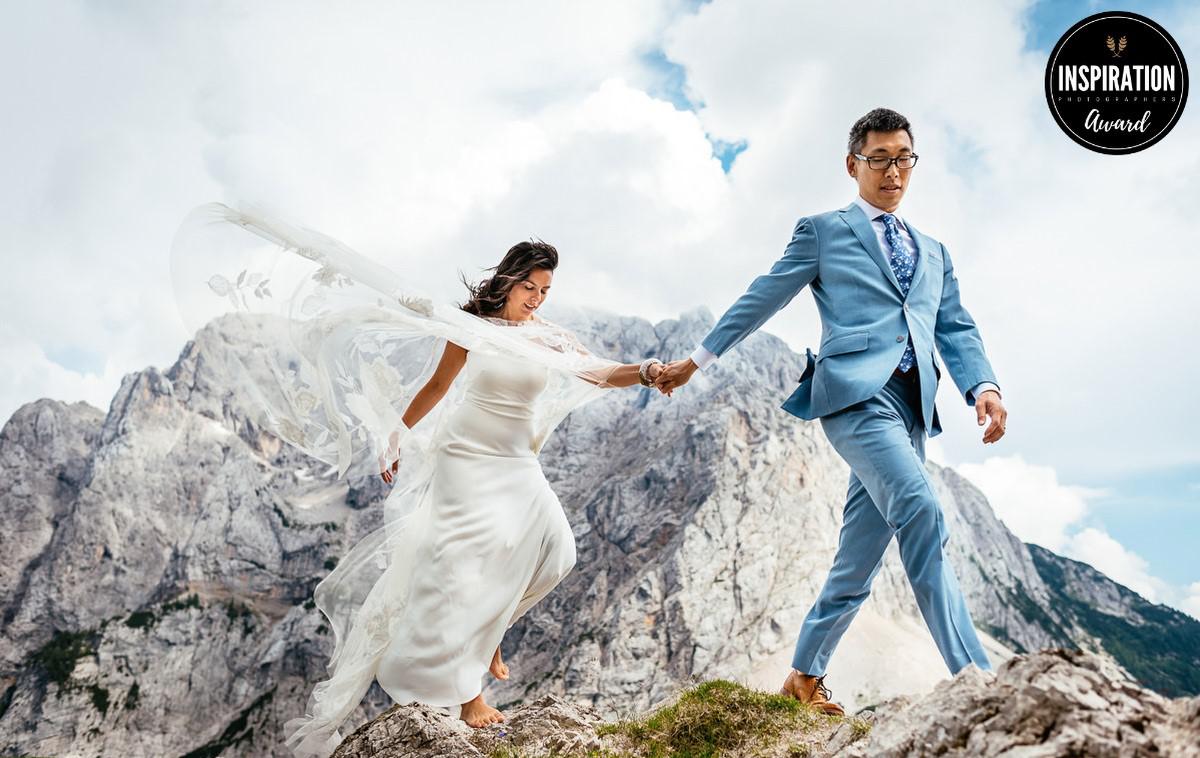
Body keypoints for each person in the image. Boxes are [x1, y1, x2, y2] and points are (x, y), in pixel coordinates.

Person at [168, 203, 667, 758]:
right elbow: (435, 387)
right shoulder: (470, 328)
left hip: (515, 460)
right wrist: (395, 433)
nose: (537, 299)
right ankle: (468, 692)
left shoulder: (548, 338)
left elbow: (596, 371)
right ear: (508, 280)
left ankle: (491, 634)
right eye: (530, 286)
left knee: (559, 554)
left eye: (545, 291)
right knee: (459, 567)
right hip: (465, 456)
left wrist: (646, 372)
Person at [654, 107, 1009, 715]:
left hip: (912, 410)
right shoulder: (823, 230)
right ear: (854, 165)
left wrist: (983, 387)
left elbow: (955, 325)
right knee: (922, 509)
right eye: (880, 159)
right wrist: (694, 362)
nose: (893, 171)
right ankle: (978, 679)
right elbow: (761, 297)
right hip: (854, 399)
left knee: (860, 554)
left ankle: (803, 677)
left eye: (904, 158)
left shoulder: (934, 251)